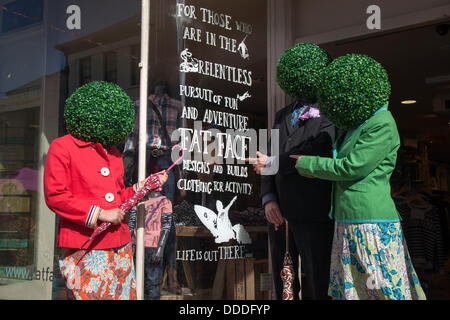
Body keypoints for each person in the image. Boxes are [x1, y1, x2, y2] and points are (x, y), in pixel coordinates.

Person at [291, 54, 426, 300]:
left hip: (370, 221)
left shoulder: (381, 122)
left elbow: (352, 168)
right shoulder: (358, 125)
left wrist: (308, 164)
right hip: (349, 219)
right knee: (357, 290)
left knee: (382, 290)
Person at [44, 81, 168, 300]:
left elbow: (119, 200)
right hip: (84, 245)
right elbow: (56, 195)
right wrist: (99, 213)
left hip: (119, 245)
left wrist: (144, 186)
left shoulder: (115, 154)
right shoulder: (62, 146)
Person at [250, 43, 338, 299]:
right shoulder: (282, 115)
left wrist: (273, 162)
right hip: (279, 214)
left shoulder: (331, 115)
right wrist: (268, 199)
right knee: (284, 280)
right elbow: (266, 157)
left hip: (314, 211)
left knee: (317, 278)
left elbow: (317, 152)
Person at [123, 82, 183, 294]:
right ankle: (144, 267)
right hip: (148, 159)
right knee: (146, 213)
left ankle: (168, 276)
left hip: (160, 160)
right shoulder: (141, 104)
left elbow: (180, 140)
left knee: (164, 219)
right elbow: (132, 136)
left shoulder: (176, 105)